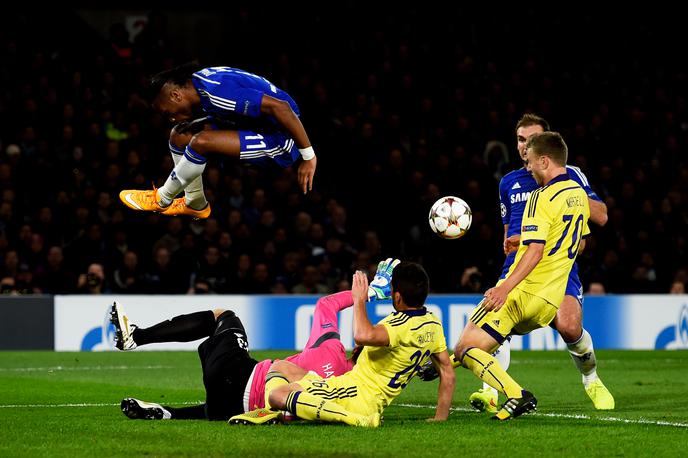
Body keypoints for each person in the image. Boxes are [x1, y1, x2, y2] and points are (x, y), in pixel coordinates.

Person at [421, 114, 614, 413]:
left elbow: (599, 216)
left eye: (533, 140)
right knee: (500, 326)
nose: (526, 146)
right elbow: (510, 235)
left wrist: (567, 190)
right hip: (519, 265)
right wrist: (515, 242)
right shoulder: (508, 183)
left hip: (556, 268)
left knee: (569, 326)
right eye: (521, 140)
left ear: (546, 148)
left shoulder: (570, 177)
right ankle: (490, 392)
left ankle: (591, 378)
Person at [112, 258, 398, 421]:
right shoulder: (353, 387)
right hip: (238, 408)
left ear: (360, 344)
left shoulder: (331, 348)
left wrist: (369, 293)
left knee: (223, 316)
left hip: (238, 376)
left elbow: (326, 304)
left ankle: (135, 336)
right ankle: (168, 413)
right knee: (218, 406)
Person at [229, 262, 455, 428]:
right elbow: (447, 371)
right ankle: (275, 412)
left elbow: (362, 334)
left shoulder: (398, 324)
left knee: (277, 395)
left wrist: (360, 298)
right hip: (356, 387)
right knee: (279, 367)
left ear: (396, 297)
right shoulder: (433, 324)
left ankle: (356, 420)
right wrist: (440, 416)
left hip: (356, 394)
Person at [119, 63, 317, 219]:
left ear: (176, 95)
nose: (170, 118)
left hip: (282, 138)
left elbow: (282, 108)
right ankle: (195, 202)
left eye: (166, 112)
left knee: (201, 142)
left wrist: (308, 157)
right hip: (255, 124)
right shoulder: (199, 83)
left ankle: (162, 199)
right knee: (179, 135)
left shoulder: (218, 92)